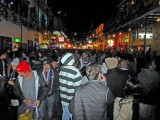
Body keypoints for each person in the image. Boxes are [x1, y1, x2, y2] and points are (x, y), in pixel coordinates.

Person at [59, 52, 82, 120]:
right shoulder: (75, 71)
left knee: (65, 115)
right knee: (73, 116)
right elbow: (79, 87)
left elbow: (60, 82)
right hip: (72, 99)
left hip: (63, 97)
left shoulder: (62, 70)